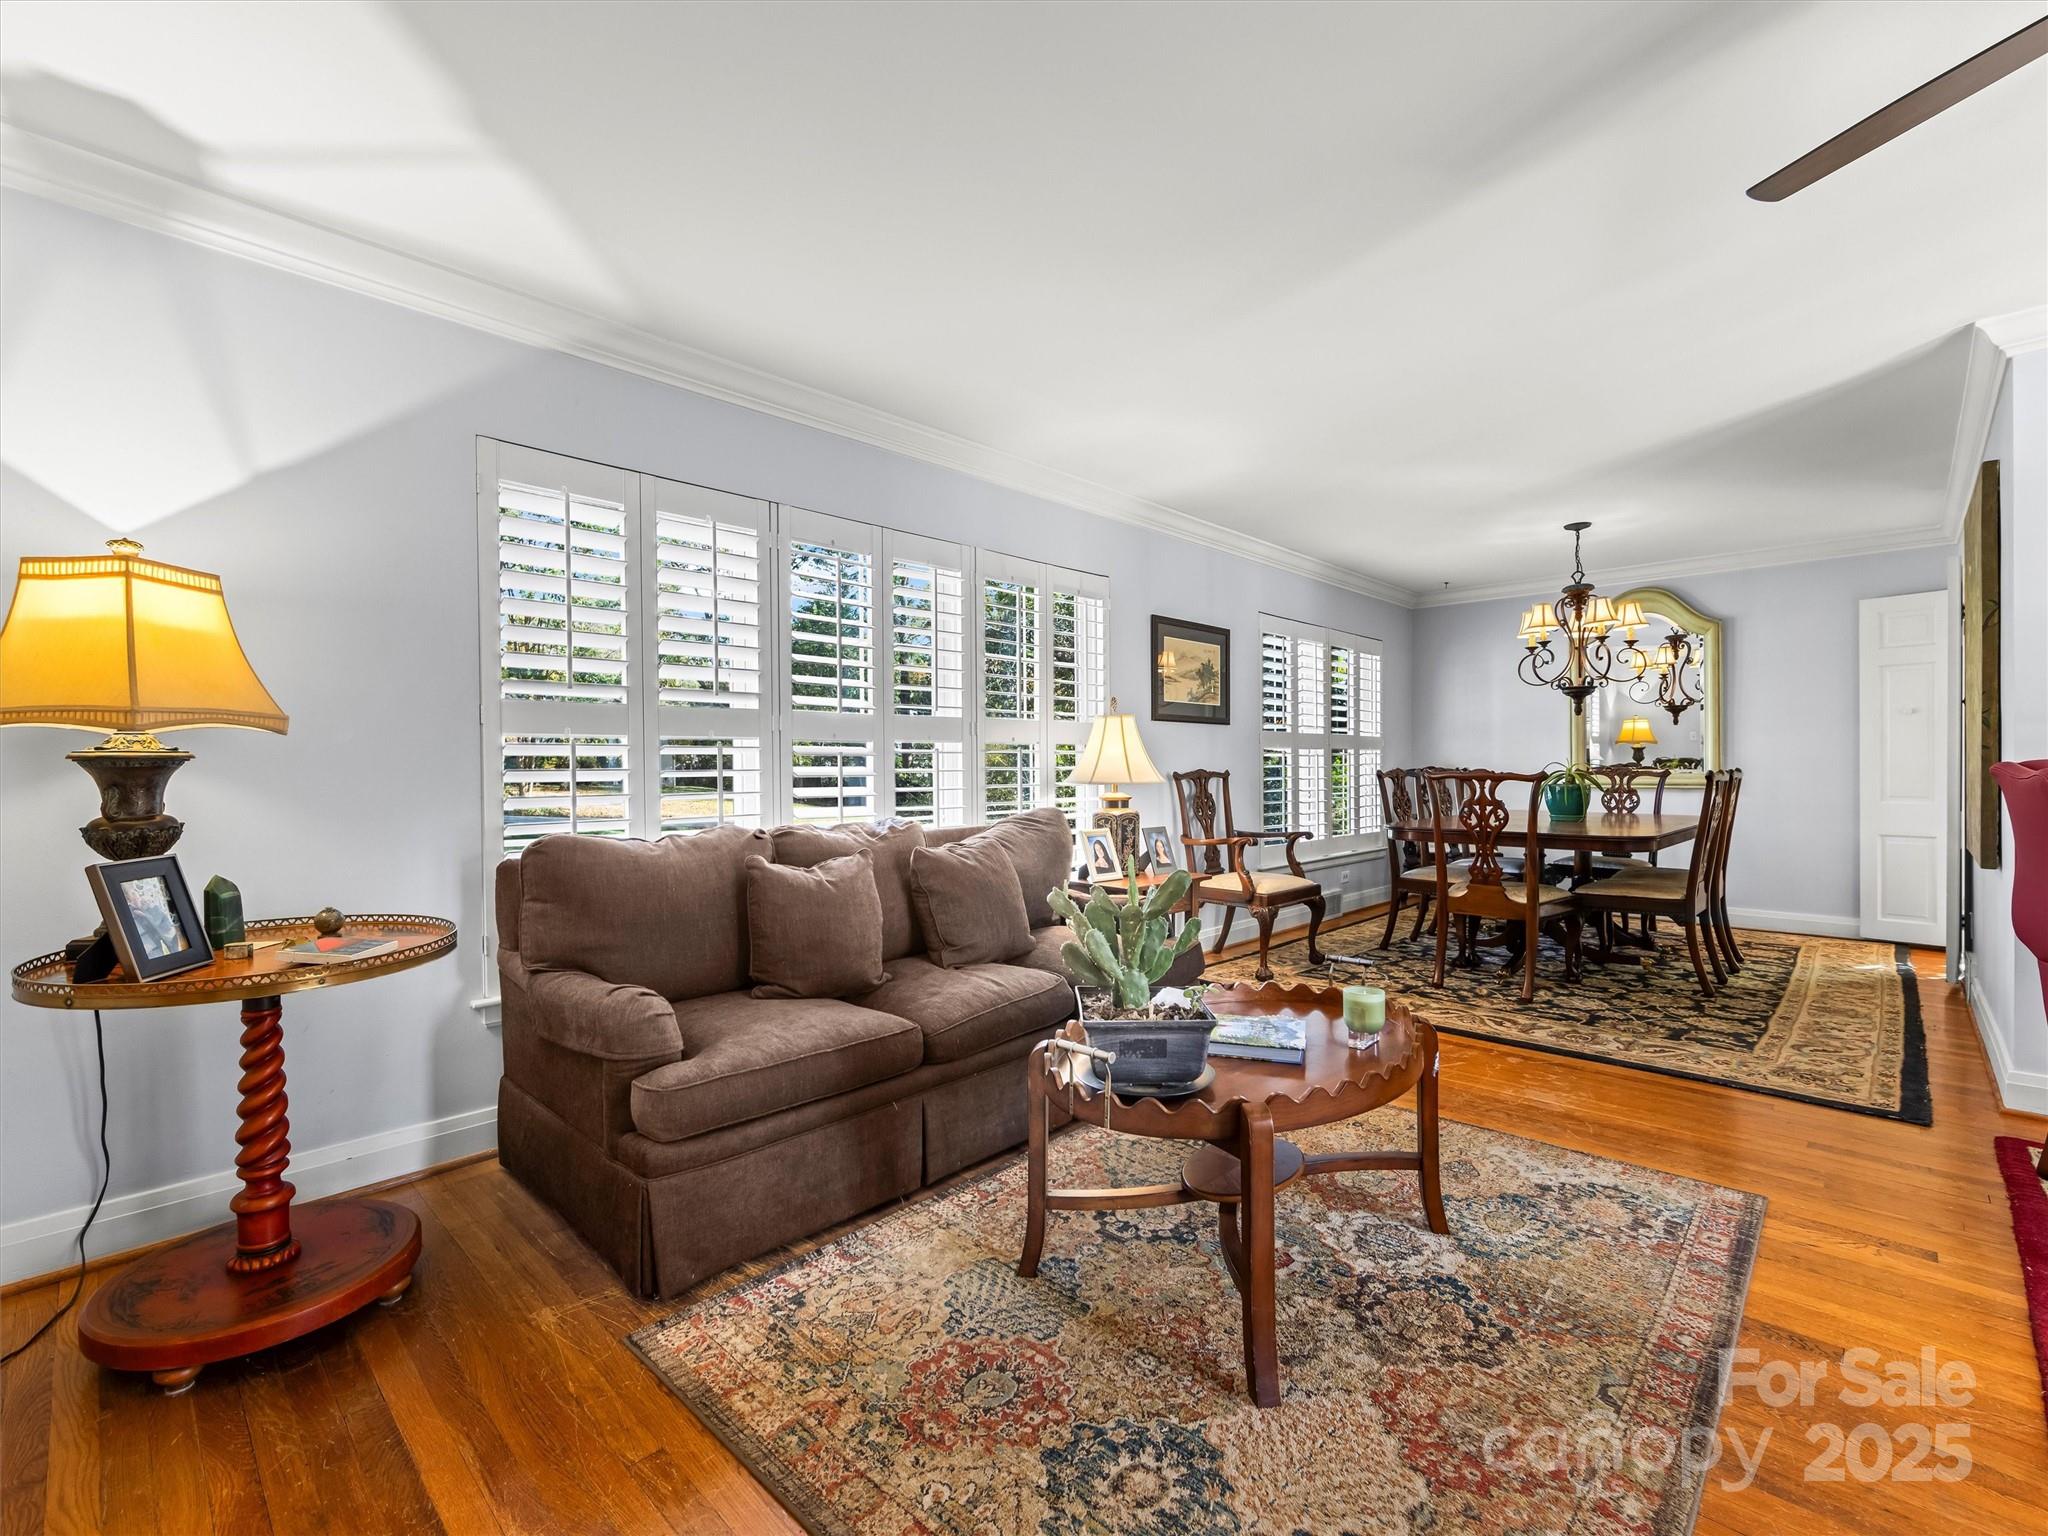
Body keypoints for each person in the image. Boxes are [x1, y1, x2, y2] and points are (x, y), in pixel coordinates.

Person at [125, 877, 188, 960]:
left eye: (137, 894)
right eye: (133, 895)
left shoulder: (151, 906)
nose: (137, 897)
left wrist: (147, 912)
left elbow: (167, 927)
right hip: (152, 948)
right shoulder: (133, 912)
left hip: (167, 939)